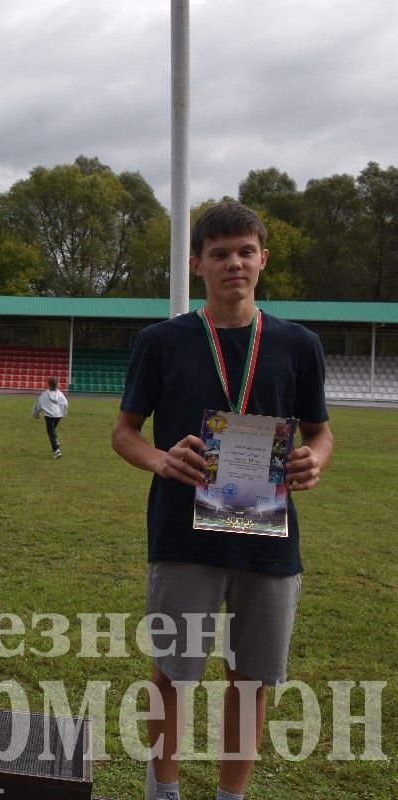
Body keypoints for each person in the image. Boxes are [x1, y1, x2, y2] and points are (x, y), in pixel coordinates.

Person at [111, 201, 333, 800]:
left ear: (263, 258)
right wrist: (160, 460)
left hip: (269, 534)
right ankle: (164, 789)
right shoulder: (163, 341)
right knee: (174, 672)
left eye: (245, 252)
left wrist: (317, 459)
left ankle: (231, 795)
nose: (233, 263)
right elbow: (124, 431)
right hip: (184, 533)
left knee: (251, 679)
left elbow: (320, 430)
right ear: (197, 263)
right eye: (219, 254)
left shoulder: (297, 344)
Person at [32, 376, 68, 457]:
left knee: (50, 432)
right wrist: (63, 413)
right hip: (58, 416)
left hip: (49, 416)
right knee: (52, 430)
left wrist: (36, 414)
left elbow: (38, 404)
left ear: (48, 384)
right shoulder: (60, 394)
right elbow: (65, 403)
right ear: (57, 384)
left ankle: (56, 450)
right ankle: (56, 441)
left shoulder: (44, 394)